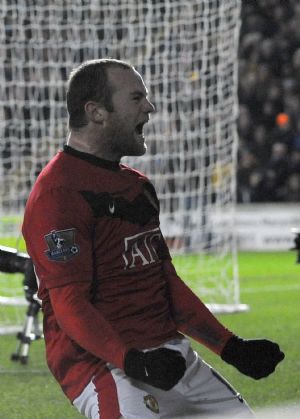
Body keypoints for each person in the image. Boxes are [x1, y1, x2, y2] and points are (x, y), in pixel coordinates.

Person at [22, 59, 284, 419]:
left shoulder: (137, 187)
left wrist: (230, 347)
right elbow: (68, 303)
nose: (150, 107)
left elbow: (165, 282)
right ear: (96, 112)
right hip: (107, 367)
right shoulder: (58, 193)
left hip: (171, 358)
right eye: (136, 97)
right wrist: (132, 361)